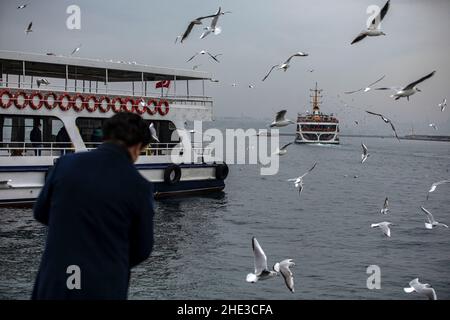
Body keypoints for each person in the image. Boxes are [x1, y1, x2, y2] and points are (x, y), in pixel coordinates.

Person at [32, 112, 154, 300]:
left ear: (105, 136)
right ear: (138, 146)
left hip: (55, 282)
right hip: (102, 285)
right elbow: (142, 249)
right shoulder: (139, 186)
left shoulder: (65, 164)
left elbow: (40, 212)